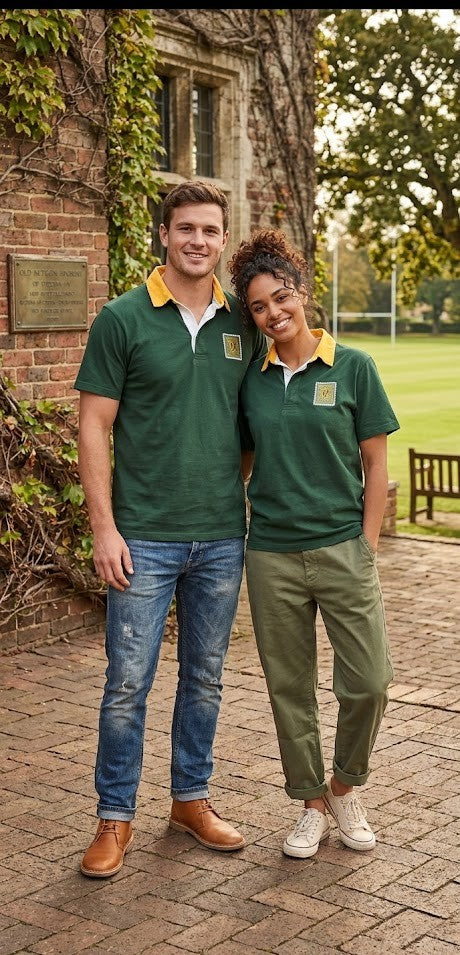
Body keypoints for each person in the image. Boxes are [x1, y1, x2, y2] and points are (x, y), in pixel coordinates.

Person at [75, 181, 267, 878]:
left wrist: (228, 485)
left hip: (221, 537)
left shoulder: (241, 327)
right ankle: (113, 816)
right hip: (143, 538)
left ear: (223, 238)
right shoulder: (122, 319)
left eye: (210, 230)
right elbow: (93, 425)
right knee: (127, 682)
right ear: (163, 234)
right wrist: (105, 528)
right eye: (185, 228)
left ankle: (190, 798)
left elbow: (250, 428)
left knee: (206, 678)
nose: (198, 240)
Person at [228, 228, 400, 859]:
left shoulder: (354, 367)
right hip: (271, 554)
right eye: (259, 307)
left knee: (370, 683)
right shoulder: (251, 380)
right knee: (289, 687)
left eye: (281, 298)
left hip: (342, 549)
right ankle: (309, 803)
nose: (274, 313)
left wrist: (366, 542)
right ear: (251, 316)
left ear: (302, 292)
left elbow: (377, 464)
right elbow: (243, 461)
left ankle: (346, 785)